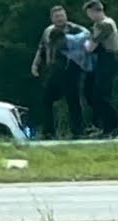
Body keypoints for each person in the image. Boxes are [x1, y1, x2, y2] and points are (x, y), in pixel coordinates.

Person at [31, 6, 87, 139]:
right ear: (52, 18)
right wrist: (35, 65)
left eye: (62, 16)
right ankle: (48, 132)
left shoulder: (76, 30)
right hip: (53, 70)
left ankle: (78, 131)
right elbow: (41, 48)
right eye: (57, 16)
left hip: (71, 69)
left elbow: (87, 44)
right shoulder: (48, 31)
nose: (60, 19)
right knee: (46, 100)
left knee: (73, 100)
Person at [82, 0, 118, 137]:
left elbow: (90, 47)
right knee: (94, 94)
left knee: (101, 95)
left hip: (107, 59)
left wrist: (84, 44)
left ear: (94, 11)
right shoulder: (102, 24)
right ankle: (107, 126)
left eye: (89, 13)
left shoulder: (104, 25)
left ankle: (116, 123)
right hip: (103, 60)